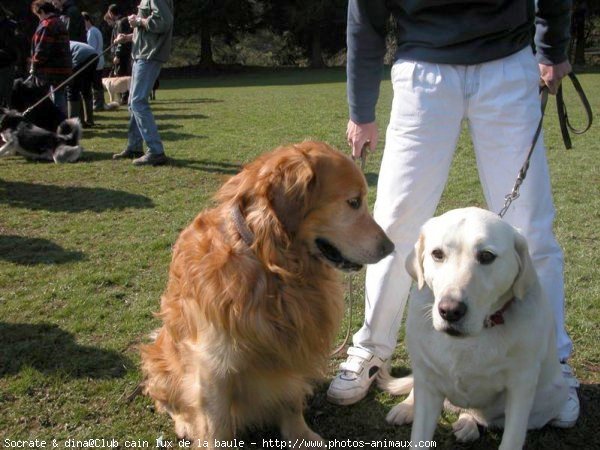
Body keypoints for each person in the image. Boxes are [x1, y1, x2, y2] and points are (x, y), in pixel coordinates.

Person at [327, 0, 580, 428]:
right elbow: (365, 17)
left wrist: (552, 46)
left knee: (531, 230)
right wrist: (361, 109)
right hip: (422, 68)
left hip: (508, 62)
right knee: (394, 224)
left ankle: (550, 366)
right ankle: (370, 348)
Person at [112, 0, 173, 167]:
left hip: (149, 56)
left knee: (138, 102)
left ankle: (156, 151)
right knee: (133, 102)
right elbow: (150, 29)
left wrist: (138, 21)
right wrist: (129, 37)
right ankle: (134, 147)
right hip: (142, 55)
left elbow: (164, 23)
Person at [30, 0, 72, 116]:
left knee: (44, 99)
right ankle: (62, 124)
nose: (39, 18)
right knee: (60, 98)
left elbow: (42, 49)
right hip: (63, 68)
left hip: (49, 70)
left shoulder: (47, 25)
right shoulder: (60, 22)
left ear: (42, 11)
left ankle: (49, 123)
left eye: (38, 15)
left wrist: (34, 64)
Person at [67, 40, 98, 127]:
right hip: (94, 55)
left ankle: (73, 124)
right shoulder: (70, 42)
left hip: (81, 56)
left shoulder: (60, 45)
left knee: (72, 89)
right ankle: (89, 120)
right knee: (86, 89)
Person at [82, 12, 105, 111]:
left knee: (95, 83)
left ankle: (98, 104)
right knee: (97, 82)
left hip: (95, 60)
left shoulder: (91, 31)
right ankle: (100, 103)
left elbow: (91, 48)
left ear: (86, 20)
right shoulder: (96, 30)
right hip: (100, 59)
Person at [0, 12, 18, 107]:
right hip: (7, 63)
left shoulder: (10, 26)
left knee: (6, 98)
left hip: (6, 64)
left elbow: (12, 48)